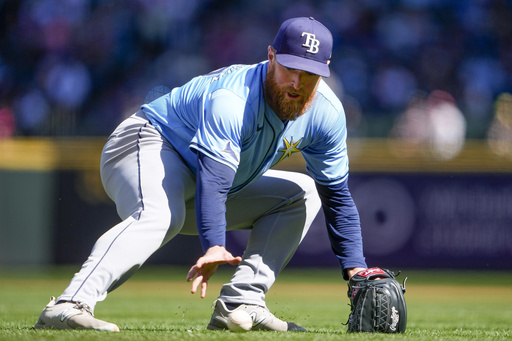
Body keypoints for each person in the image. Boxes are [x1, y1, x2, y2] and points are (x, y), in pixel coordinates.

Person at [34, 17, 367, 332]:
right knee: (160, 214)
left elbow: (336, 196)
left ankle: (242, 303)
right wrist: (215, 245)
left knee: (303, 193)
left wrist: (356, 270)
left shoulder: (326, 112)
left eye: (308, 73)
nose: (297, 82)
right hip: (147, 143)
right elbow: (215, 178)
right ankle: (70, 303)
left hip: (205, 181)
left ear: (324, 72)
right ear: (271, 57)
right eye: (289, 68)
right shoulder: (233, 98)